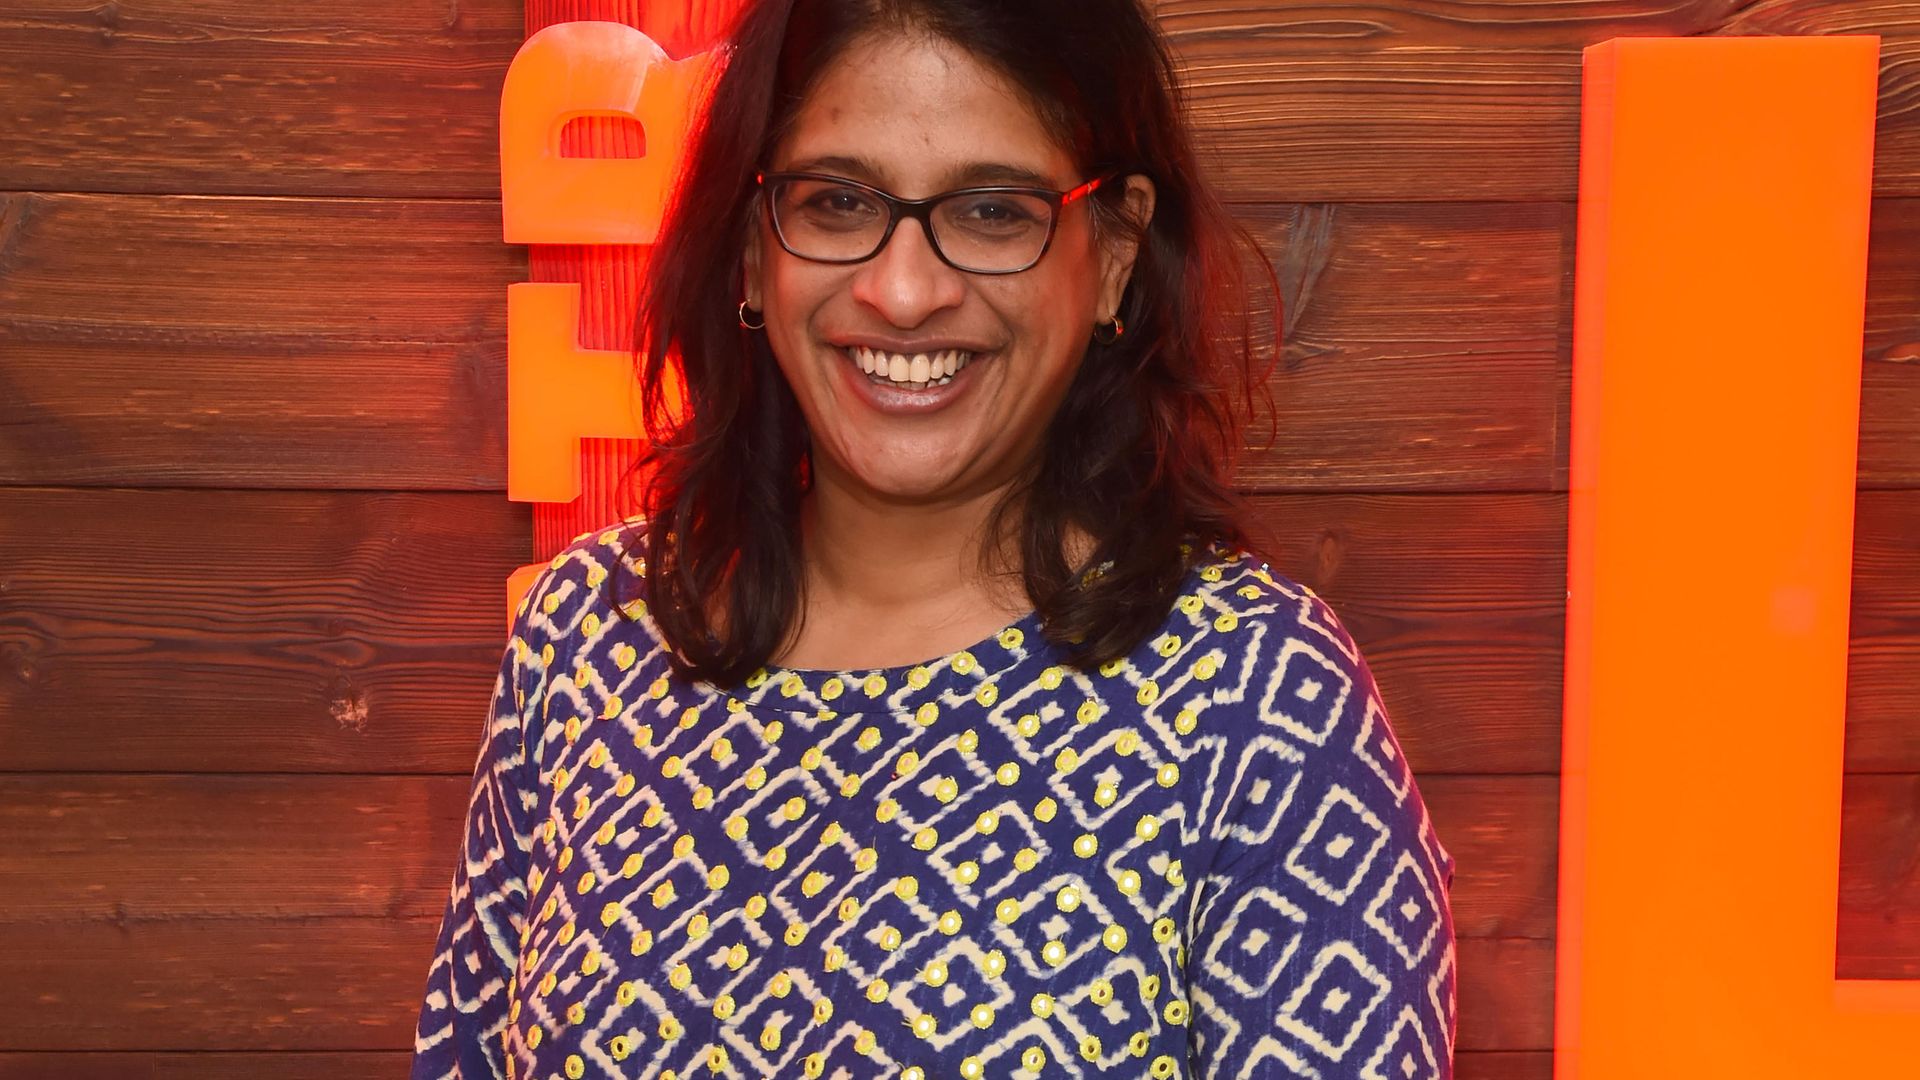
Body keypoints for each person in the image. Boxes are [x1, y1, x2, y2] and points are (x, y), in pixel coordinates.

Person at [410, 0, 1458, 1076]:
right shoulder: (587, 636)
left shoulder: (1257, 699)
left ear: (1113, 253)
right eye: (835, 201)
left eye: (994, 212)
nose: (903, 291)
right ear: (751, 249)